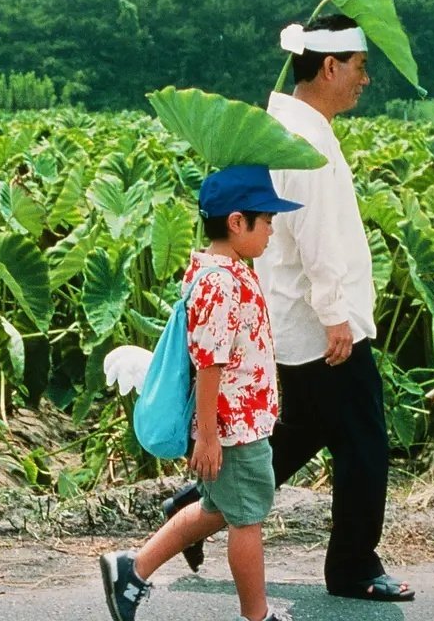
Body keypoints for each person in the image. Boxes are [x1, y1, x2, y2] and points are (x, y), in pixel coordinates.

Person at [164, 14, 415, 602]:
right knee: (363, 442)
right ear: (330, 67)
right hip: (320, 323)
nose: (365, 79)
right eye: (360, 67)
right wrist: (335, 314)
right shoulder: (306, 141)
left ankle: (197, 505)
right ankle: (352, 568)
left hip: (295, 320)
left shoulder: (290, 126)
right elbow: (316, 235)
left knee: (304, 431)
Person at [100, 165, 301, 621]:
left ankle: (132, 569)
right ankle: (257, 616)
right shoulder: (220, 283)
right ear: (237, 222)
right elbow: (210, 362)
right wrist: (208, 436)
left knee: (215, 509)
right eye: (267, 220)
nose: (272, 229)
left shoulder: (223, 272)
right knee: (247, 520)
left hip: (236, 423)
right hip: (233, 428)